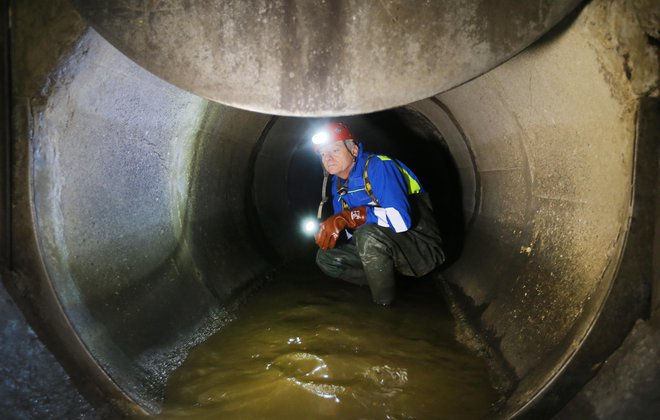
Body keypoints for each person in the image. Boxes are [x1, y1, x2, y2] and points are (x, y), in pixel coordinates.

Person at [312, 122, 445, 305]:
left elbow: (401, 221)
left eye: (334, 150)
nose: (328, 158)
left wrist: (351, 216)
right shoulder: (338, 186)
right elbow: (354, 235)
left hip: (420, 244)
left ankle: (384, 307)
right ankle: (388, 284)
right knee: (326, 258)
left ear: (354, 151)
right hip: (380, 247)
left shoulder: (378, 166)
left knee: (369, 236)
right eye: (323, 154)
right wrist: (332, 228)